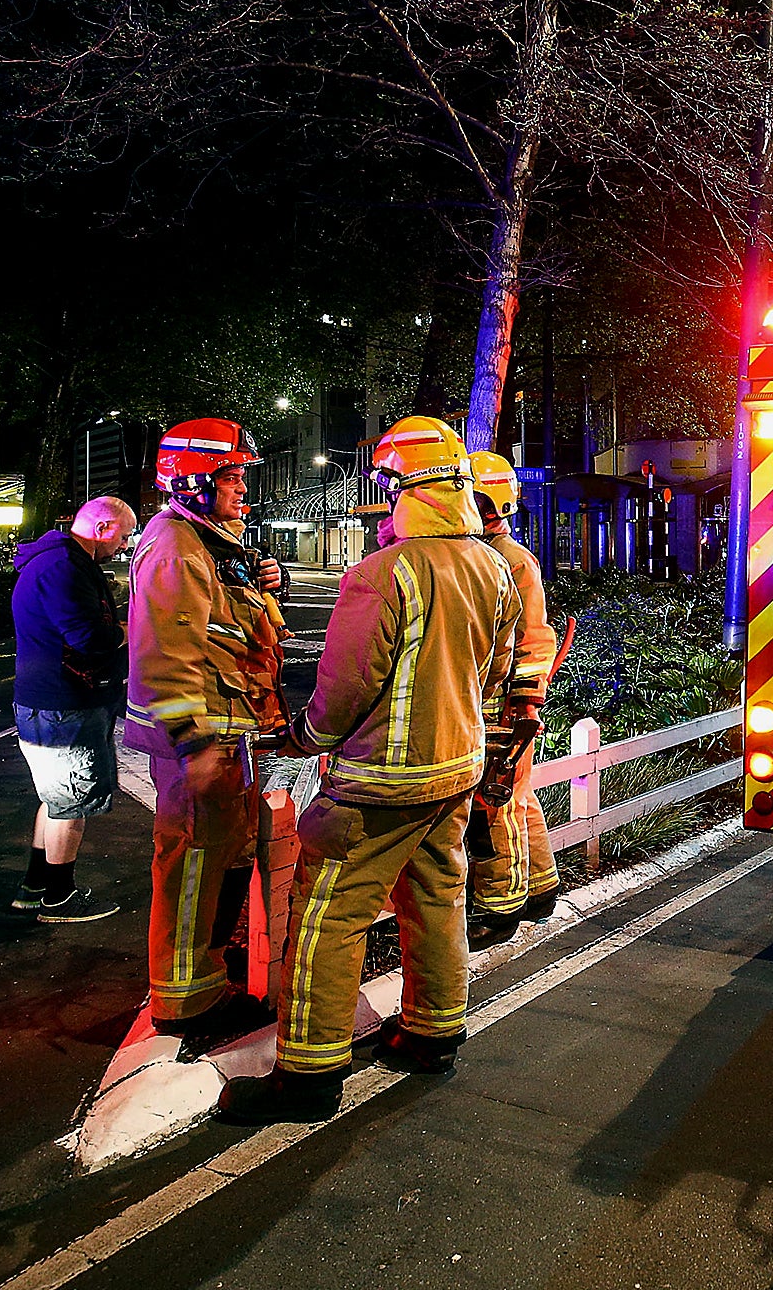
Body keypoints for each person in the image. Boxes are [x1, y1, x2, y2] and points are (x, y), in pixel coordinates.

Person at [219, 417, 524, 1126]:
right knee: (438, 899)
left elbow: (346, 688)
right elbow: (499, 670)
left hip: (378, 783)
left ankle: (310, 1077)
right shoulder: (494, 566)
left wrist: (303, 735)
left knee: (328, 919)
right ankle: (432, 1033)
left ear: (402, 487)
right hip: (456, 771)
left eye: (386, 483)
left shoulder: (383, 574)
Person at [126, 418, 290, 1040]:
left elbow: (226, 627)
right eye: (232, 476)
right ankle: (185, 1003)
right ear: (194, 479)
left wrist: (258, 585)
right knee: (195, 864)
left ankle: (205, 979)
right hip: (203, 745)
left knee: (222, 857)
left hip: (226, 739)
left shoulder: (208, 543)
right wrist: (192, 743)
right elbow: (166, 653)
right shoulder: (175, 546)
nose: (243, 487)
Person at [9, 495, 137, 923]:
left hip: (52, 699)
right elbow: (89, 638)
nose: (124, 544)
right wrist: (131, 629)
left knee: (56, 797)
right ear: (102, 528)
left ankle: (34, 886)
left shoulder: (57, 561)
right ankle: (59, 897)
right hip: (65, 702)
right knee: (73, 803)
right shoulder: (63, 567)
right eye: (122, 535)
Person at [463, 452, 562, 949]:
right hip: (499, 704)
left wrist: (523, 703)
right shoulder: (492, 553)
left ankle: (498, 908)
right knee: (516, 797)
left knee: (492, 804)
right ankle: (541, 886)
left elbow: (533, 640)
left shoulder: (509, 560)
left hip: (499, 706)